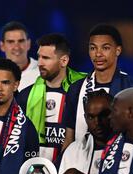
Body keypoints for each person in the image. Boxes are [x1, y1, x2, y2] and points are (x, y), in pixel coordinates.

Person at [62, 24, 133, 151]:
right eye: (93, 48)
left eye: (105, 48)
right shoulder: (75, 89)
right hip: (81, 163)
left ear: (118, 50)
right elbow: (69, 138)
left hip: (120, 165)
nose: (98, 54)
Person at [16, 33, 86, 162]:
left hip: (71, 168)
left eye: (46, 58)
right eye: (39, 57)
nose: (40, 63)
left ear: (64, 61)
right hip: (32, 172)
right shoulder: (26, 95)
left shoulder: (82, 91)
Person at [0, 21, 39, 92]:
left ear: (28, 44)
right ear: (2, 46)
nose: (16, 47)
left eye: (21, 41)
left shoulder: (42, 72)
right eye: (11, 42)